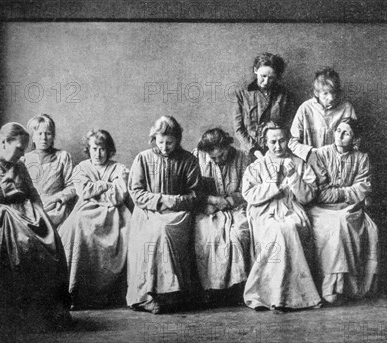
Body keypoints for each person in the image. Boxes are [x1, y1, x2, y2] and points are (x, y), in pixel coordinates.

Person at [0, 122, 70, 330]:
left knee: (52, 245)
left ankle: (46, 313)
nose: (23, 154)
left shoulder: (19, 163)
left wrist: (40, 215)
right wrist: (12, 214)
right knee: (27, 250)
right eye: (19, 149)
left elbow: (32, 192)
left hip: (24, 218)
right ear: (4, 142)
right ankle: (22, 317)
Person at [241, 122, 321, 312]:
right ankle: (271, 294)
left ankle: (287, 296)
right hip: (264, 211)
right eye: (273, 142)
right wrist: (274, 186)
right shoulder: (256, 167)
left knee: (289, 227)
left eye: (282, 141)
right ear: (265, 143)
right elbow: (249, 195)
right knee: (276, 228)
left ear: (288, 141)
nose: (278, 146)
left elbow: (309, 196)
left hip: (292, 209)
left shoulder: (299, 163)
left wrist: (293, 176)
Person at [126, 116, 201, 314]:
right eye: (160, 142)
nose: (165, 147)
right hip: (148, 211)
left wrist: (174, 202)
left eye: (170, 142)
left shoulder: (189, 160)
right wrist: (162, 200)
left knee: (165, 230)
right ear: (154, 139)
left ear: (177, 140)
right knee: (154, 232)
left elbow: (195, 195)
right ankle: (147, 296)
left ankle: (172, 295)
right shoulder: (143, 158)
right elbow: (136, 192)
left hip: (178, 213)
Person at [59, 129, 131, 309]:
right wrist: (106, 185)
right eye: (94, 149)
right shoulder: (81, 168)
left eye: (102, 149)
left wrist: (96, 190)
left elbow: (119, 195)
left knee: (129, 230)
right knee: (77, 226)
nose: (98, 154)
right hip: (86, 210)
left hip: (115, 213)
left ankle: (117, 293)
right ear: (88, 150)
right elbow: (83, 192)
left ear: (109, 150)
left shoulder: (120, 169)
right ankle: (77, 292)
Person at [309, 118, 378, 303]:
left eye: (346, 133)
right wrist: (347, 192)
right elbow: (321, 193)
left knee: (347, 223)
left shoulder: (362, 158)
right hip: (321, 210)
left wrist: (338, 193)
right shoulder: (320, 154)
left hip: (350, 208)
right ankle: (330, 287)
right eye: (338, 130)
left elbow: (363, 188)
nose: (339, 136)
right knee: (335, 226)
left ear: (355, 139)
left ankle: (346, 287)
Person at [193, 128, 250, 304]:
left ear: (228, 147)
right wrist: (209, 200)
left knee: (238, 234)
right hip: (208, 208)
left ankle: (237, 287)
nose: (218, 161)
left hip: (236, 207)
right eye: (214, 158)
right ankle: (212, 289)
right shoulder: (198, 156)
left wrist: (229, 201)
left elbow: (249, 190)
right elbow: (191, 189)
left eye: (222, 156)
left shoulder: (243, 157)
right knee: (208, 235)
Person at [233, 52, 296, 160]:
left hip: (276, 153)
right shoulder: (242, 94)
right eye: (263, 76)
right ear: (255, 70)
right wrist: (255, 151)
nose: (266, 81)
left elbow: (288, 127)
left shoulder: (284, 95)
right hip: (249, 153)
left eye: (271, 78)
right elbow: (238, 129)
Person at [289, 67, 356, 164]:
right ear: (316, 93)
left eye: (333, 92)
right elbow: (292, 143)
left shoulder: (346, 108)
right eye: (325, 93)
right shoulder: (305, 108)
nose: (331, 98)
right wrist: (311, 153)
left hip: (339, 163)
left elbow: (355, 141)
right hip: (310, 163)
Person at [23, 114, 76, 230]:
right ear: (32, 136)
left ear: (53, 136)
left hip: (56, 207)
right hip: (32, 207)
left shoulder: (63, 156)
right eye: (39, 134)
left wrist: (55, 198)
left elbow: (73, 186)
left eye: (48, 134)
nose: (44, 138)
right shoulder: (24, 159)